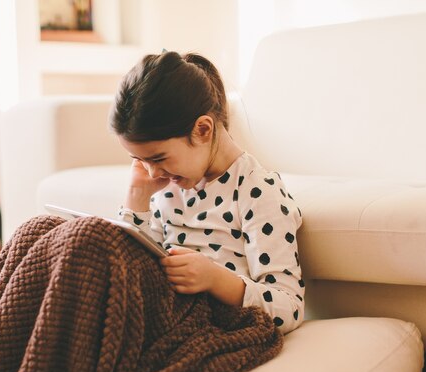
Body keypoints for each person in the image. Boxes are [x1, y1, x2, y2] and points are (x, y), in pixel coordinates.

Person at [110, 51, 304, 334]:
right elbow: (130, 272)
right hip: (157, 316)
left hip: (199, 323)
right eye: (138, 160)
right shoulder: (167, 187)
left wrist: (215, 279)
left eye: (159, 158)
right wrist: (136, 198)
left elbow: (290, 307)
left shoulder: (257, 191)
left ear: (202, 129)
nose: (152, 173)